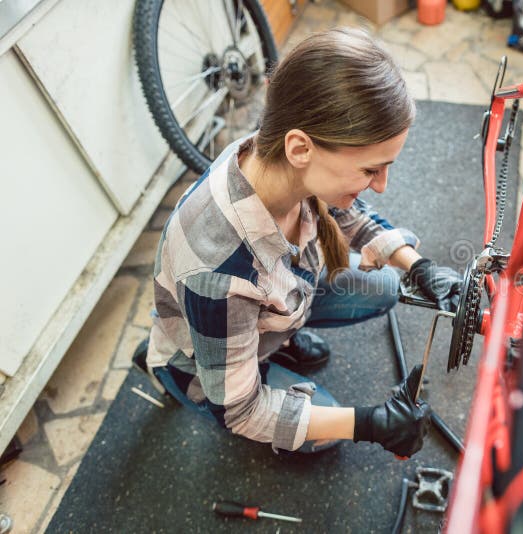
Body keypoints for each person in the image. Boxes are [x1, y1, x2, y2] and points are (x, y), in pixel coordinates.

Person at [133, 27, 462, 457]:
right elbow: (241, 411)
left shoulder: (275, 156)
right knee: (324, 434)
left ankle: (277, 340)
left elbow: (346, 213)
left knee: (387, 286)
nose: (381, 186)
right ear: (301, 148)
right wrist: (369, 423)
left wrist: (419, 266)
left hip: (271, 295)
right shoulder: (218, 268)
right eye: (370, 170)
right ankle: (170, 369)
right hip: (209, 365)